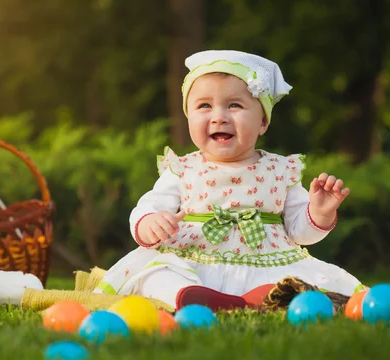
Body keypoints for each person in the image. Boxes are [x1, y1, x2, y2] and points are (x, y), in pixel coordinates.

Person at [94, 50, 365, 311]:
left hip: (263, 262)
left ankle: (252, 300)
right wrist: (150, 223)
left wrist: (319, 212)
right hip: (192, 259)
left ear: (262, 122)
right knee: (158, 275)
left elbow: (300, 233)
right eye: (204, 106)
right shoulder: (182, 168)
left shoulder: (281, 170)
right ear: (188, 117)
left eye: (234, 105)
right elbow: (148, 206)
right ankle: (189, 297)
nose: (219, 117)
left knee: (291, 284)